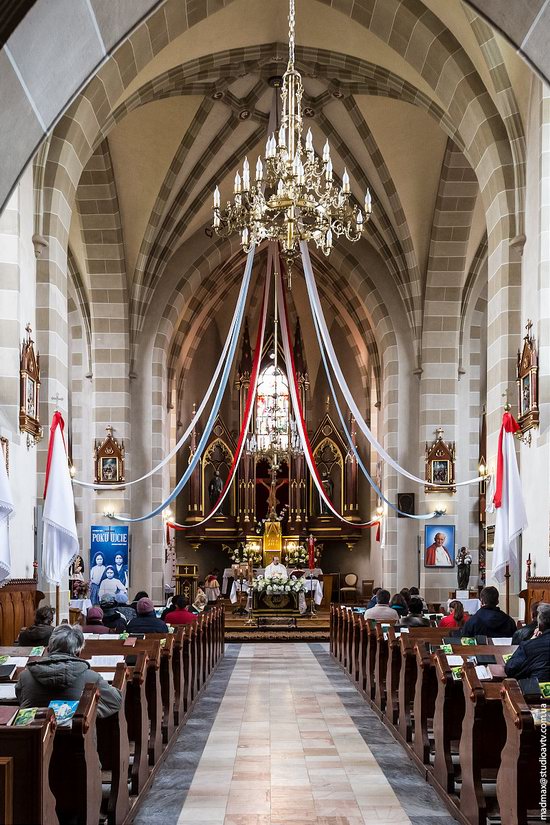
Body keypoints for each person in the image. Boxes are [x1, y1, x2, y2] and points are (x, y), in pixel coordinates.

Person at [16, 624, 122, 718]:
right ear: (78, 653)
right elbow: (115, 701)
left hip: (36, 738)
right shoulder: (91, 678)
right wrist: (91, 711)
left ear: (48, 650)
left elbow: (21, 699)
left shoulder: (25, 676)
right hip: (76, 738)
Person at [504, 603, 550, 681]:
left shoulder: (529, 646)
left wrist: (531, 641)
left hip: (538, 690)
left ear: (540, 626)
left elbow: (511, 668)